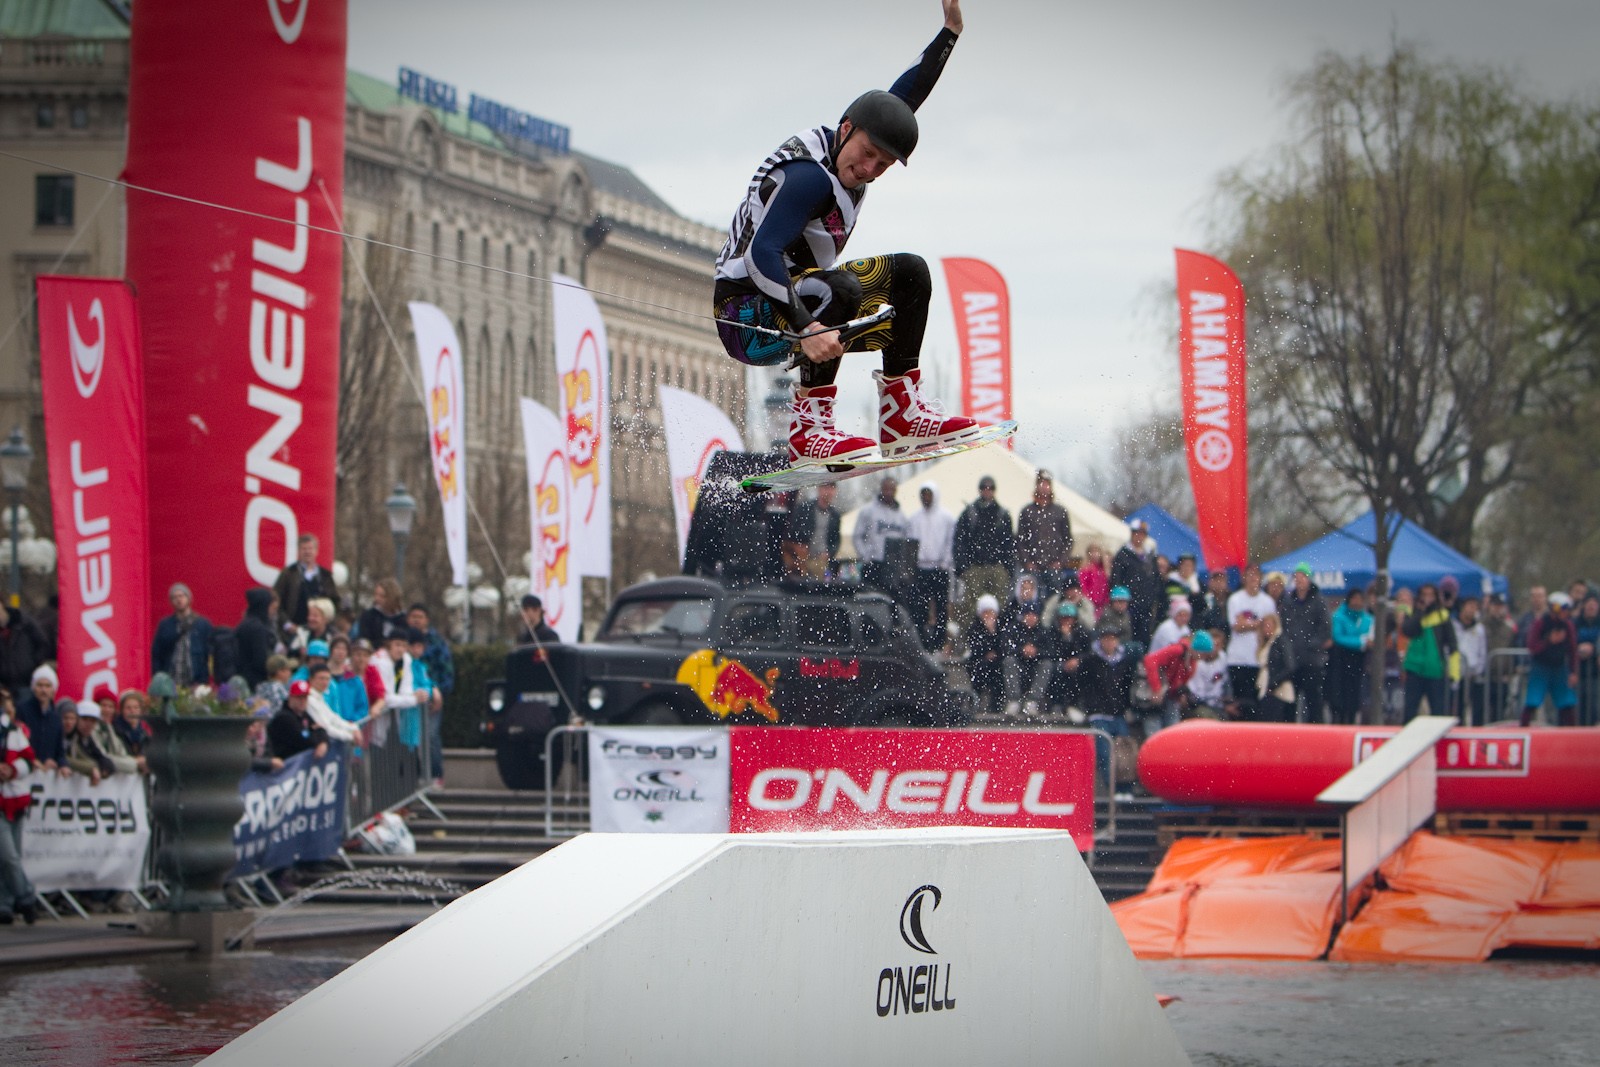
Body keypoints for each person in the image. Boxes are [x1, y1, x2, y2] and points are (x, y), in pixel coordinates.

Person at [712, 0, 978, 465]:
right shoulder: (808, 178)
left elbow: (903, 99)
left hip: (805, 300)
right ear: (847, 128)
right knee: (839, 287)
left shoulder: (854, 138)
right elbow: (761, 255)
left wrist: (949, 34)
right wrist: (807, 327)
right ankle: (809, 431)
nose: (870, 169)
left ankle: (900, 417)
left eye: (884, 164)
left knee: (911, 273)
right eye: (868, 154)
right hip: (746, 317)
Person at [952, 475, 1015, 627]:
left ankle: (998, 635)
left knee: (999, 606)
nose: (987, 491)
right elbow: (959, 541)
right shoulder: (969, 513)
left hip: (997, 567)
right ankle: (972, 637)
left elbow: (1009, 544)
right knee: (971, 608)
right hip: (975, 567)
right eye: (984, 487)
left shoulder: (1002, 514)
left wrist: (1007, 568)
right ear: (979, 490)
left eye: (990, 488)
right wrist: (963, 567)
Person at [0, 690, 40, 925]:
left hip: (15, 799)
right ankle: (26, 897)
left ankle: (4, 904)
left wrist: (12, 770)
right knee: (9, 857)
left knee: (8, 857)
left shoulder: (13, 731)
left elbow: (28, 759)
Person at [1277, 563, 1331, 722]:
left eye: (1303, 577)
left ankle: (1316, 730)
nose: (1299, 580)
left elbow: (1325, 628)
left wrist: (1310, 645)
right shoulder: (1289, 601)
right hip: (1292, 660)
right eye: (1297, 577)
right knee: (1289, 701)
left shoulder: (1319, 601)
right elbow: (1283, 627)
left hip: (1312, 660)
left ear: (1309, 579)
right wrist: (1288, 648)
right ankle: (1289, 731)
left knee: (1314, 701)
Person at [904, 482, 955, 649]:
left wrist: (945, 562)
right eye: (923, 495)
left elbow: (950, 542)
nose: (926, 498)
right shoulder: (914, 519)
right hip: (921, 569)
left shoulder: (946, 518)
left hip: (940, 568)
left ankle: (939, 642)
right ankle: (922, 642)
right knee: (920, 607)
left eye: (929, 495)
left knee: (941, 608)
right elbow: (910, 544)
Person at [1143, 630, 1222, 732]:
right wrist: (1156, 688)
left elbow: (1180, 680)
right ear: (1197, 649)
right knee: (1154, 725)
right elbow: (1150, 660)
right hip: (1157, 692)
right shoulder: (1178, 650)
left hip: (1169, 696)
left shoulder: (1191, 661)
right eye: (1203, 654)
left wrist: (1181, 693)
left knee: (1172, 727)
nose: (1203, 658)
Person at [1225, 565, 1277, 719]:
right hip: (1238, 659)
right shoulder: (1235, 599)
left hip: (1258, 660)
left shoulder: (1267, 602)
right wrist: (1258, 623)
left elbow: (1270, 629)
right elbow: (1236, 626)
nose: (1253, 579)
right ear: (1244, 578)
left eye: (1256, 575)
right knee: (1239, 705)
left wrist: (1246, 623)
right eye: (1250, 575)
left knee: (1256, 705)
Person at [1521, 592, 1579, 727]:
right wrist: (1549, 640)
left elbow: (1572, 649)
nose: (1566, 613)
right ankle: (1523, 729)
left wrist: (1573, 672)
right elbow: (1532, 646)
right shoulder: (1540, 623)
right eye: (1564, 610)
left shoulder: (1568, 625)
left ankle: (1570, 732)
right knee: (1532, 701)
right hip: (1540, 667)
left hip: (1559, 668)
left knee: (1567, 702)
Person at [1402, 583, 1458, 721]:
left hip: (1435, 670)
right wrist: (1420, 612)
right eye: (1424, 595)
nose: (1427, 598)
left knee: (1438, 711)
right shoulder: (1412, 613)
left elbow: (1453, 645)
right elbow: (1408, 631)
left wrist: (1454, 673)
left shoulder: (1442, 616)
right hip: (1414, 669)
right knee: (1410, 710)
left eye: (1430, 595)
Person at [1016, 473, 1073, 597]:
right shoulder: (1027, 512)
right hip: (1033, 567)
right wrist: (1027, 562)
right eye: (1041, 483)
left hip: (1054, 566)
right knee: (1032, 599)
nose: (1044, 487)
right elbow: (1020, 541)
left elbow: (1068, 540)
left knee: (1054, 598)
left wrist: (1060, 561)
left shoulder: (1060, 512)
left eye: (1047, 484)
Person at [150, 582, 214, 687]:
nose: (179, 600)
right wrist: (157, 677)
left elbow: (209, 653)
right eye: (174, 597)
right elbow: (157, 653)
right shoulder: (165, 625)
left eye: (181, 596)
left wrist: (206, 678)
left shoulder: (202, 624)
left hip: (196, 682)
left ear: (188, 598)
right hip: (171, 681)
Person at [64, 699, 144, 782]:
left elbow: (101, 756)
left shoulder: (93, 736)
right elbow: (68, 758)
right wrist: (92, 768)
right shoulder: (73, 738)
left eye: (92, 721)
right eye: (85, 719)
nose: (88, 724)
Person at [853, 477, 911, 592]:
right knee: (870, 596)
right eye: (886, 489)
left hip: (892, 567)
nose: (888, 492)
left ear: (896, 490)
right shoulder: (868, 511)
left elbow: (905, 540)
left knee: (890, 598)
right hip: (873, 564)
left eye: (892, 489)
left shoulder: (901, 517)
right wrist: (865, 556)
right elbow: (857, 536)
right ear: (881, 489)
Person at [273, 533, 339, 634]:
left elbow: (334, 602)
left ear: (316, 551)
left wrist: (327, 623)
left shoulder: (325, 575)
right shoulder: (289, 573)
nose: (307, 552)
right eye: (304, 549)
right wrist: (287, 624)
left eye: (310, 548)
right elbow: (276, 600)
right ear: (299, 551)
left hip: (320, 631)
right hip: (294, 630)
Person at [1109, 520, 1161, 649]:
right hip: (1128, 605)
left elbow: (1156, 578)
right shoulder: (1123, 554)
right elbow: (1116, 579)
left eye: (1142, 534)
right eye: (1137, 533)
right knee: (1128, 636)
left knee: (1144, 637)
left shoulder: (1149, 555)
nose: (1139, 537)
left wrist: (1153, 597)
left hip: (1146, 605)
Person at [1327, 589, 1374, 725]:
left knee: (1354, 696)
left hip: (1358, 662)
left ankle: (1351, 721)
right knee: (1338, 696)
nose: (1357, 602)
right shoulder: (1339, 616)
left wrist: (1357, 640)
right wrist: (1360, 641)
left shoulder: (1367, 619)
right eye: (1354, 599)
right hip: (1340, 661)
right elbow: (1338, 637)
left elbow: (1371, 638)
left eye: (1360, 599)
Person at [1038, 603, 1092, 717]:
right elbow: (1052, 651)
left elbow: (1087, 652)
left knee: (1082, 672)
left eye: (1069, 618)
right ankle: (1057, 704)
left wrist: (1077, 659)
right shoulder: (1053, 632)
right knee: (1057, 670)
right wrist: (1065, 639)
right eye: (1063, 618)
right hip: (1058, 663)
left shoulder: (1082, 633)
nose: (1066, 621)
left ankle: (1075, 704)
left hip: (1077, 663)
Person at [783, 483, 843, 580]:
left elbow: (836, 540)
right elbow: (792, 530)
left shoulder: (835, 515)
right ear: (819, 489)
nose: (828, 492)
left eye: (831, 488)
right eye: (825, 488)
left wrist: (829, 553)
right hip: (800, 557)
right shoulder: (805, 509)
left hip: (820, 560)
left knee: (817, 583)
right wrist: (799, 546)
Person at [15, 665, 65, 772]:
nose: (43, 690)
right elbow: (17, 742)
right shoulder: (22, 710)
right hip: (25, 770)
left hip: (47, 774)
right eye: (40, 685)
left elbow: (60, 751)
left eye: (48, 686)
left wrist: (62, 764)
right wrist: (31, 760)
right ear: (33, 687)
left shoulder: (56, 718)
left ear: (53, 689)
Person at [963, 595, 1006, 715]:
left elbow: (1003, 646)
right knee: (980, 668)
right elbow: (975, 647)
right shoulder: (974, 628)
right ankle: (975, 702)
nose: (988, 616)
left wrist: (992, 633)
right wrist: (986, 650)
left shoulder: (1001, 627)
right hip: (979, 661)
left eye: (991, 612)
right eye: (985, 612)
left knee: (998, 671)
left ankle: (996, 705)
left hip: (997, 661)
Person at [267, 680, 330, 762]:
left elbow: (321, 729)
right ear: (291, 697)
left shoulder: (303, 714)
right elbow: (304, 740)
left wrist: (323, 741)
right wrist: (315, 734)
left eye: (305, 698)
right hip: (285, 762)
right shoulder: (284, 717)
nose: (303, 701)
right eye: (299, 698)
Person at [1254, 614, 1297, 723]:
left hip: (1278, 689)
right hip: (1267, 685)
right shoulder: (1266, 644)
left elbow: (1289, 666)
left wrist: (1273, 683)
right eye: (1264, 626)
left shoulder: (1281, 641)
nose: (1266, 629)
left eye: (1269, 625)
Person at [0, 602, 46, 701]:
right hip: (4, 687)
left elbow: (42, 644)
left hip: (26, 682)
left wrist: (32, 665)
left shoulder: (23, 621)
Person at [234, 587, 279, 690]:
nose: (273, 612)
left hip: (242, 676)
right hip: (255, 681)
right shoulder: (258, 629)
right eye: (271, 607)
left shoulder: (244, 624)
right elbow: (260, 659)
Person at [305, 664, 361, 745]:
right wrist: (351, 736)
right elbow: (326, 727)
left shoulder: (319, 697)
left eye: (327, 679)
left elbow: (333, 718)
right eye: (321, 678)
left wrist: (353, 728)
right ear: (311, 679)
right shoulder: (309, 699)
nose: (325, 682)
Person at [1453, 597, 1488, 724]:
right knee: (1458, 705)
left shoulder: (1479, 629)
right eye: (1470, 606)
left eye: (1475, 607)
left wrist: (1478, 669)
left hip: (1474, 673)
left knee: (1477, 707)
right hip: (1458, 672)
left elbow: (1482, 651)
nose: (1472, 610)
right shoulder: (1454, 626)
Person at [1573, 594, 1600, 727]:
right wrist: (1578, 649)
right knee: (1579, 705)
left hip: (1595, 673)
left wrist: (1594, 650)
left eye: (1594, 604)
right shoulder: (1576, 623)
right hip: (1578, 671)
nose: (1591, 607)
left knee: (1594, 704)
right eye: (1589, 604)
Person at [357, 578, 407, 645]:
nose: (377, 598)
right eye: (376, 594)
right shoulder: (369, 616)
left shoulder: (402, 618)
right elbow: (364, 639)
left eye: (382, 596)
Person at [1192, 568, 1232, 638]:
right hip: (1206, 636)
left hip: (1228, 636)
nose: (1218, 583)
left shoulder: (1231, 599)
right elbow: (1198, 619)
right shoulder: (1202, 599)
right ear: (1209, 582)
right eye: (1215, 580)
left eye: (1221, 580)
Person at [111, 689, 152, 758]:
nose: (132, 711)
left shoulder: (144, 735)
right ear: (122, 711)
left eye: (136, 707)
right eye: (128, 708)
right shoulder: (115, 731)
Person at [1078, 543, 1111, 612]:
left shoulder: (1104, 569)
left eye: (1097, 551)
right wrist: (1088, 600)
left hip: (1104, 603)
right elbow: (1083, 587)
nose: (1095, 554)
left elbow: (1107, 585)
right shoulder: (1085, 569)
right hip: (1090, 603)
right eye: (1092, 552)